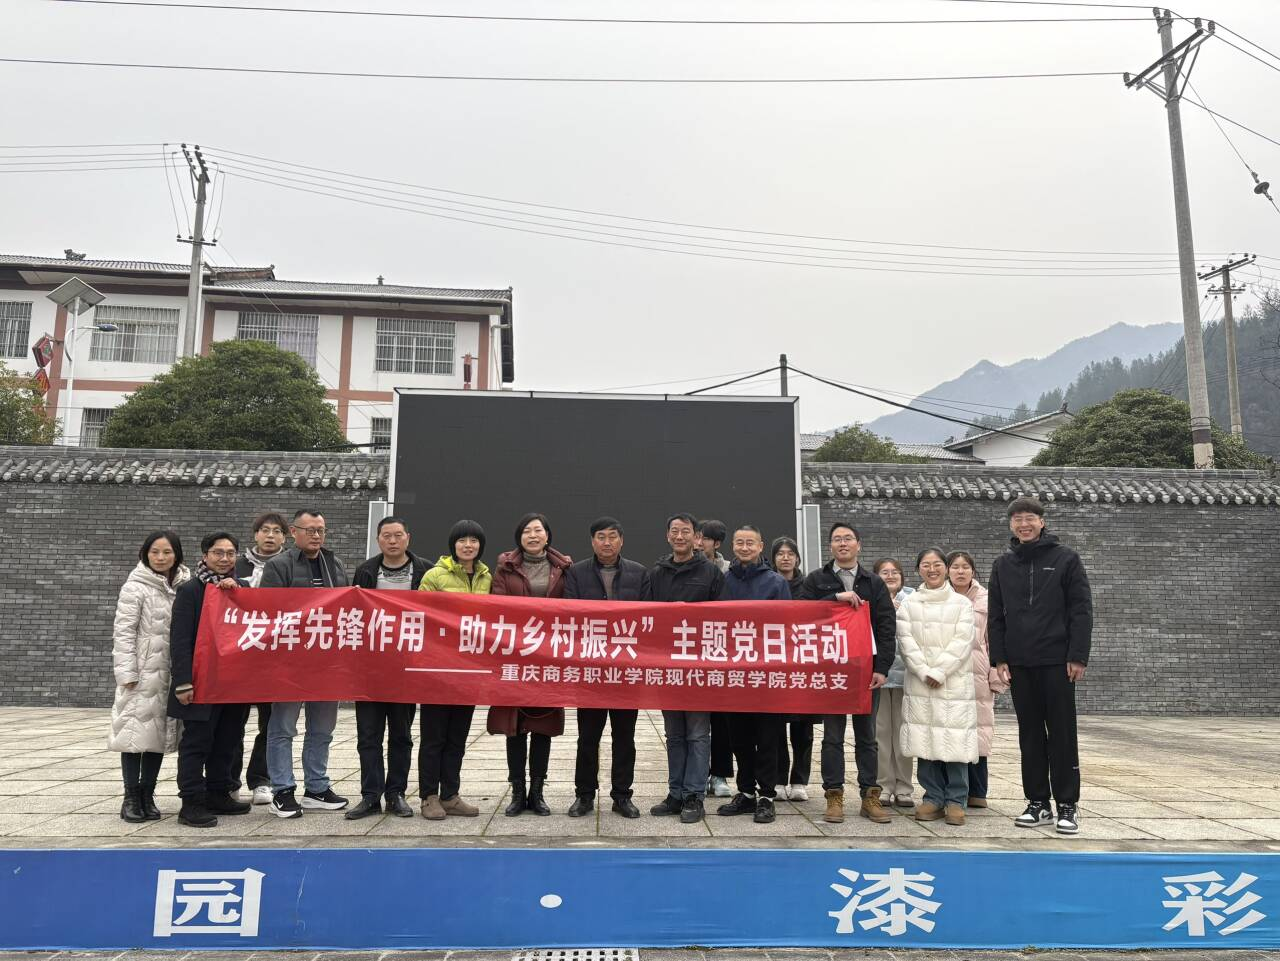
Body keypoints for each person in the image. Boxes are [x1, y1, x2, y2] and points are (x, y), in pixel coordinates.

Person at [989, 496, 1093, 836]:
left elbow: (1081, 609)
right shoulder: (1003, 564)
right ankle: (1037, 802)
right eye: (1018, 519)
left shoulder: (1066, 559)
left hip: (1057, 661)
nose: (1024, 524)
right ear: (1011, 525)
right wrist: (1000, 658)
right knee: (1030, 735)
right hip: (1020, 663)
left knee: (1062, 733)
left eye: (1030, 518)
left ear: (1042, 521)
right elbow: (996, 615)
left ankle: (1067, 804)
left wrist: (1077, 655)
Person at [800, 522, 896, 826]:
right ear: (830, 546)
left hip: (865, 669)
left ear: (858, 545)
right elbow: (800, 613)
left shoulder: (874, 582)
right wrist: (833, 600)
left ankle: (870, 796)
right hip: (831, 670)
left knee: (867, 736)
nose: (843, 543)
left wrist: (882, 668)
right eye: (837, 539)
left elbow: (886, 626)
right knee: (832, 737)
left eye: (848, 538)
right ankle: (834, 795)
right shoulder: (816, 580)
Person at [261, 509, 350, 818]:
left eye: (320, 530)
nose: (316, 535)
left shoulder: (335, 564)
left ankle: (317, 788)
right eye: (309, 529)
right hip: (290, 663)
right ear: (293, 532)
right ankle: (282, 790)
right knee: (283, 727)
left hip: (328, 662)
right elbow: (269, 613)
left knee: (322, 729)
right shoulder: (278, 565)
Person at [563, 516, 650, 819]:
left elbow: (649, 621)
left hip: (626, 671)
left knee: (624, 737)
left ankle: (622, 796)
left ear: (621, 540)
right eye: (601, 537)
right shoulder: (576, 573)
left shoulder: (639, 573)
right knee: (588, 737)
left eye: (613, 536)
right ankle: (584, 795)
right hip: (591, 671)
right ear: (592, 541)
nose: (607, 542)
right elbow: (571, 616)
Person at [346, 516, 430, 820]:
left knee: (401, 735)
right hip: (370, 668)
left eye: (397, 535)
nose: (392, 541)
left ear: (408, 537)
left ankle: (396, 794)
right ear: (378, 539)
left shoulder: (425, 570)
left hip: (407, 667)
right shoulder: (366, 570)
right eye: (386, 536)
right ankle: (370, 796)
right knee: (368, 735)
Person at [489, 513, 572, 818]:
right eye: (527, 531)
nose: (533, 535)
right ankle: (517, 792)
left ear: (548, 536)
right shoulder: (506, 567)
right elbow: (497, 606)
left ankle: (537, 793)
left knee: (542, 725)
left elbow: (572, 608)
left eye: (538, 530)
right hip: (515, 656)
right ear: (519, 537)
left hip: (548, 657)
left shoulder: (563, 568)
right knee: (515, 726)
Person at [646, 512, 726, 824]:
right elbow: (647, 617)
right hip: (667, 667)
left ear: (697, 537)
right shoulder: (657, 573)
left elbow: (723, 618)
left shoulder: (710, 573)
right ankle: (675, 793)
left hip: (699, 667)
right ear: (667, 536)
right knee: (674, 734)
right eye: (675, 531)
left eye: (686, 531)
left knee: (697, 733)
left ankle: (694, 795)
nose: (680, 537)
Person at [168, 532, 252, 828]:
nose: (225, 559)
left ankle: (219, 793)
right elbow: (180, 639)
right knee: (197, 743)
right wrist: (183, 681)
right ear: (205, 556)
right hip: (200, 681)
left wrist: (235, 592)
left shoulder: (243, 588)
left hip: (233, 682)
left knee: (228, 740)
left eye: (230, 553)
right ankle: (191, 802)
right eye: (218, 553)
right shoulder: (191, 590)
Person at [109, 531, 189, 823]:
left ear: (176, 555)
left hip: (168, 673)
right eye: (155, 552)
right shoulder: (135, 587)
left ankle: (147, 794)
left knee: (157, 736)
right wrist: (126, 672)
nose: (160, 557)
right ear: (145, 554)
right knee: (133, 736)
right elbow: (124, 632)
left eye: (167, 552)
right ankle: (130, 797)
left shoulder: (183, 586)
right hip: (141, 674)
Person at [897, 547, 978, 827]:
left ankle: (956, 800)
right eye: (925, 565)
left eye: (937, 564)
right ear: (918, 569)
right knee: (925, 740)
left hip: (953, 682)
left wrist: (940, 671)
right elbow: (905, 642)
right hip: (920, 682)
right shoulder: (909, 604)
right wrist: (924, 670)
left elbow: (963, 640)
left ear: (945, 568)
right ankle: (932, 797)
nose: (931, 570)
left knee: (955, 740)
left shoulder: (962, 604)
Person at [416, 520, 491, 820]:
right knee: (433, 737)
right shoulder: (434, 576)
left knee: (457, 737)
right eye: (462, 540)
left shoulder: (486, 577)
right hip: (437, 667)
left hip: (468, 669)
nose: (468, 545)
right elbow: (420, 617)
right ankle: (428, 796)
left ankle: (450, 795)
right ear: (453, 544)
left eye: (474, 540)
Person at [716, 525, 791, 825]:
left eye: (750, 543)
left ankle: (767, 796)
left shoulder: (776, 582)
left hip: (766, 675)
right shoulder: (723, 580)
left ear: (761, 546)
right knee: (739, 738)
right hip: (734, 674)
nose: (744, 547)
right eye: (740, 543)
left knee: (768, 738)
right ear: (733, 546)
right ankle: (746, 792)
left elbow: (786, 626)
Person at [232, 510, 288, 805]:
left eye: (277, 531)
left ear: (285, 537)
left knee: (270, 723)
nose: (270, 535)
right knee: (233, 722)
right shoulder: (235, 564)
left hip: (274, 657)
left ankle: (261, 780)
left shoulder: (290, 566)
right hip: (238, 654)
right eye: (265, 530)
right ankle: (229, 781)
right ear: (255, 534)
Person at [948, 550, 1006, 809]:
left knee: (979, 729)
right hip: (949, 672)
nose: (960, 571)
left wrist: (996, 674)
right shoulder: (941, 596)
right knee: (952, 730)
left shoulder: (987, 598)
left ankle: (977, 790)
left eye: (965, 567)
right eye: (955, 567)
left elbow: (995, 637)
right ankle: (952, 789)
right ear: (947, 571)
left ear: (973, 570)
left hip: (978, 672)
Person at [770, 536, 814, 801]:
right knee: (774, 727)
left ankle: (799, 780)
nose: (785, 558)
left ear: (797, 558)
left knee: (802, 727)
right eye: (780, 553)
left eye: (790, 554)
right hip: (774, 663)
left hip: (802, 663)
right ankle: (777, 779)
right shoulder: (767, 584)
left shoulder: (810, 585)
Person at [872, 557, 916, 811]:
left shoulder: (914, 600)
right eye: (884, 572)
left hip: (906, 677)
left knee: (903, 734)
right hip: (879, 675)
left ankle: (904, 787)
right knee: (880, 734)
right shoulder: (872, 599)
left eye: (895, 572)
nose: (890, 576)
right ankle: (883, 786)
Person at [697, 517, 734, 798]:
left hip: (722, 652)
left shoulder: (730, 572)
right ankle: (696, 774)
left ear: (717, 543)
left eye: (705, 538)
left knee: (722, 720)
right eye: (696, 537)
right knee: (694, 722)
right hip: (690, 651)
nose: (698, 543)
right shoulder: (682, 567)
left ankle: (719, 774)